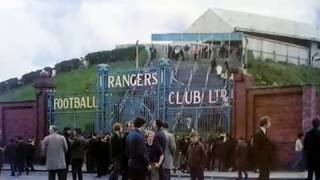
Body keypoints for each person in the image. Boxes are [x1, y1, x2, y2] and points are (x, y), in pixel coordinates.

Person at [253, 116, 273, 180]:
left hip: (266, 159)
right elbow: (255, 148)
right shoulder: (258, 133)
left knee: (264, 176)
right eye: (269, 122)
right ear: (265, 124)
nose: (270, 124)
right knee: (264, 176)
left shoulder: (265, 132)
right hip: (262, 160)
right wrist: (259, 161)